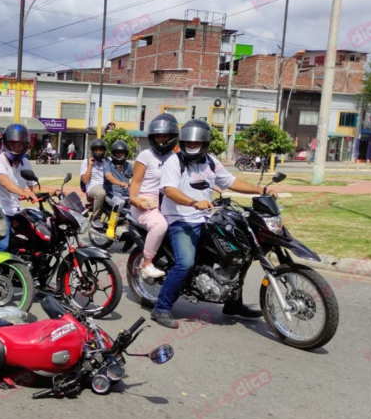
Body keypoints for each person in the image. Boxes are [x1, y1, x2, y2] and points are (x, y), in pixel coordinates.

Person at [150, 119, 278, 329]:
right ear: (182, 143)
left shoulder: (211, 162)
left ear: (205, 143)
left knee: (240, 254)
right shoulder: (174, 162)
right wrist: (193, 202)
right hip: (181, 220)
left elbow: (231, 182)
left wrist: (260, 190)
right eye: (188, 143)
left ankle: (233, 303)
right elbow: (170, 190)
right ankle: (161, 308)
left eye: (196, 143)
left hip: (207, 219)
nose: (192, 146)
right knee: (185, 263)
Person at [129, 114, 179, 280]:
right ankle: (147, 263)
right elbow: (136, 181)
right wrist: (134, 199)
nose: (162, 140)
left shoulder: (176, 157)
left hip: (167, 203)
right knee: (159, 225)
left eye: (165, 136)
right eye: (158, 136)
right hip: (145, 203)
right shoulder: (146, 155)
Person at [0, 123, 39, 252]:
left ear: (26, 145)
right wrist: (23, 192)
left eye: (20, 144)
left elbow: (34, 186)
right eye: (13, 144)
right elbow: (4, 181)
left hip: (15, 210)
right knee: (1, 246)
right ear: (6, 144)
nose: (16, 147)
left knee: (36, 237)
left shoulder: (25, 162)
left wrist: (53, 192)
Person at [80, 139, 129, 224]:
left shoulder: (109, 160)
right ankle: (96, 218)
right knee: (101, 193)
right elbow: (85, 180)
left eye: (100, 150)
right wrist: (90, 166)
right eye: (96, 150)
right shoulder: (86, 162)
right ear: (92, 151)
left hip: (108, 185)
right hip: (94, 186)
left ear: (104, 150)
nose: (98, 152)